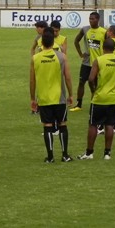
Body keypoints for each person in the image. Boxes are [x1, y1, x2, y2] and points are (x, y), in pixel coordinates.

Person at [77, 39, 115, 160]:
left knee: (93, 124)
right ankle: (107, 153)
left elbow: (90, 79)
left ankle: (89, 153)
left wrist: (94, 90)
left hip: (100, 97)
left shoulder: (98, 60)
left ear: (103, 48)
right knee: (110, 125)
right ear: (114, 48)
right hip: (114, 97)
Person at [30, 30, 74, 163]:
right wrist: (71, 94)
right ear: (54, 42)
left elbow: (32, 81)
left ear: (42, 42)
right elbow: (67, 77)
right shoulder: (62, 57)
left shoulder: (35, 58)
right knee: (62, 125)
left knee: (47, 126)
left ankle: (50, 157)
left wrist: (32, 98)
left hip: (44, 98)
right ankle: (65, 155)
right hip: (59, 97)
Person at [71, 12, 106, 111]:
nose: (91, 21)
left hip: (97, 63)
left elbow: (108, 46)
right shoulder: (85, 29)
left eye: (93, 19)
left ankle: (94, 103)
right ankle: (78, 104)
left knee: (94, 84)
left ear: (98, 19)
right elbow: (76, 41)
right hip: (86, 62)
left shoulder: (104, 32)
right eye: (90, 19)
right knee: (81, 82)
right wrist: (81, 54)